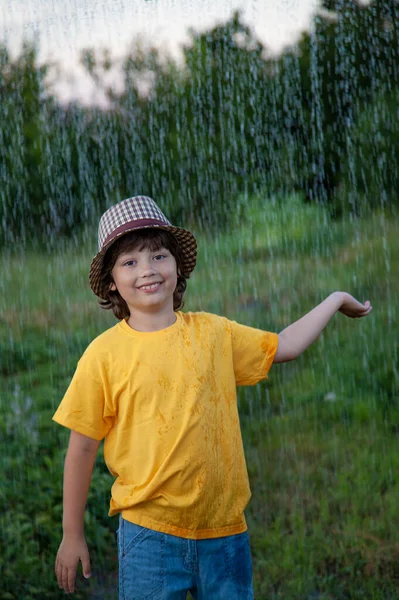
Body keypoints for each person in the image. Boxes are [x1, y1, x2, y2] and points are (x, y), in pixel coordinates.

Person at [53, 195, 372, 599]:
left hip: (225, 534)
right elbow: (81, 448)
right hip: (148, 535)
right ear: (112, 281)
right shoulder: (103, 355)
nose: (147, 270)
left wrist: (335, 299)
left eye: (158, 256)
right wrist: (71, 534)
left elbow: (285, 344)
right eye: (130, 262)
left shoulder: (213, 334)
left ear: (177, 265)